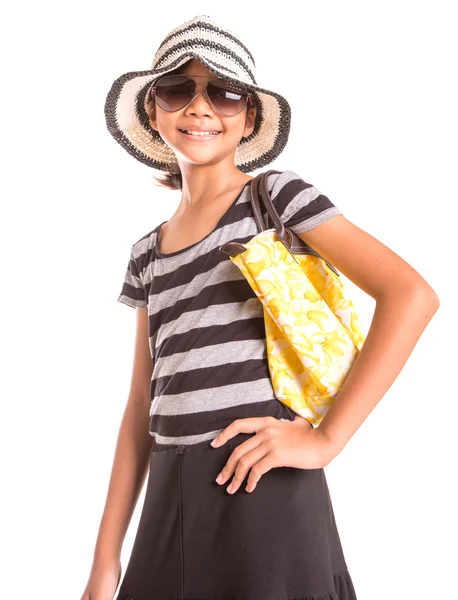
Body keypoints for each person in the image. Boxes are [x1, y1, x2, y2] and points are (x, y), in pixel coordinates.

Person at [81, 14, 440, 600]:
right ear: (153, 110)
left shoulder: (272, 197)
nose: (200, 108)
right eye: (178, 89)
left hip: (261, 482)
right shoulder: (145, 253)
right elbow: (141, 404)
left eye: (223, 93)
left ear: (248, 117)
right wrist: (105, 559)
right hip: (169, 497)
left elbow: (412, 296)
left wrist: (326, 441)